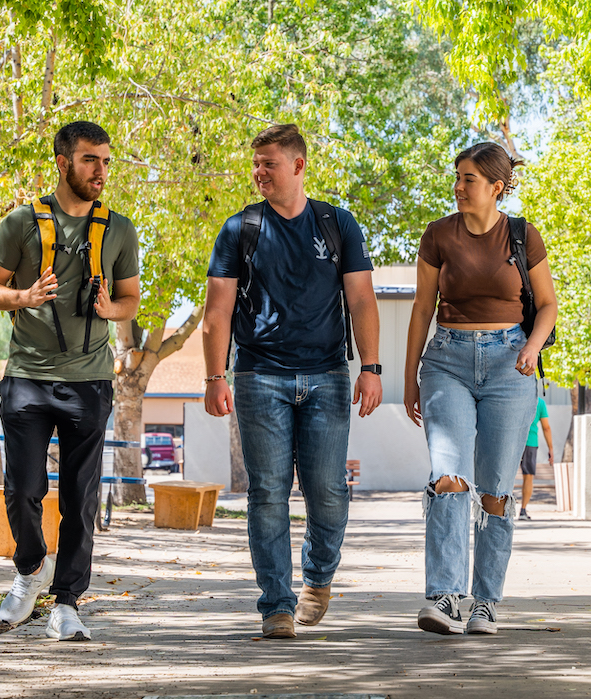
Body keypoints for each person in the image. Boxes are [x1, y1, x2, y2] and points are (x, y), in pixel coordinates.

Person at [201, 124, 382, 640]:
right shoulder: (240, 229)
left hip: (327, 375)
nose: (259, 173)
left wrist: (371, 367)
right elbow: (218, 310)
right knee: (268, 493)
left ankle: (318, 579)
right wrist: (216, 375)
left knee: (327, 491)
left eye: (270, 164)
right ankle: (275, 605)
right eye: (255, 164)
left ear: (299, 166)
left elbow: (362, 299)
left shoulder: (337, 224)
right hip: (260, 377)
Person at [0, 121, 140, 641]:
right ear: (62, 162)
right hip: (27, 374)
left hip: (90, 380)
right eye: (91, 159)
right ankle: (30, 568)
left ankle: (67, 602)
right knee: (22, 487)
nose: (101, 170)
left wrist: (108, 307)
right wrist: (23, 298)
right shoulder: (21, 223)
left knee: (80, 496)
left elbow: (130, 300)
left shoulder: (119, 230)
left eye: (106, 160)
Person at [404, 142, 558, 635]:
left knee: (494, 490)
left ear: (495, 187)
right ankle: (445, 596)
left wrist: (532, 347)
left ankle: (486, 602)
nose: (458, 186)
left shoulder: (522, 235)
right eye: (456, 176)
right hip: (446, 361)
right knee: (449, 474)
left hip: (510, 364)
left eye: (468, 178)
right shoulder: (437, 236)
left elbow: (550, 305)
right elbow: (421, 310)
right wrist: (410, 375)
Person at [518, 394, 553, 520]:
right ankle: (522, 511)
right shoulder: (540, 403)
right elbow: (546, 428)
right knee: (528, 477)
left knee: (506, 476)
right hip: (530, 443)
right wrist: (551, 448)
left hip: (513, 441)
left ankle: (502, 510)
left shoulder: (516, 398)